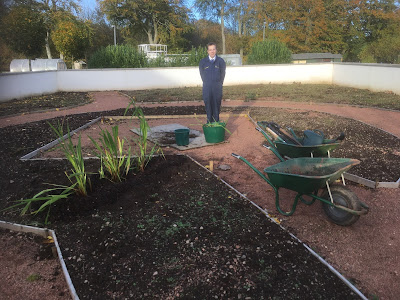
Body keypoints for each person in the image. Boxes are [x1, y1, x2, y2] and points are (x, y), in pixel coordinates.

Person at [199, 42, 226, 123]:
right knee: (208, 105)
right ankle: (209, 123)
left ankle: (216, 124)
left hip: (217, 87)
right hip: (207, 87)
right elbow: (202, 75)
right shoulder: (203, 62)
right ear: (207, 51)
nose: (212, 51)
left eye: (214, 49)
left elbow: (222, 74)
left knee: (216, 105)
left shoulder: (220, 61)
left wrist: (218, 83)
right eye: (210, 50)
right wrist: (208, 82)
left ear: (216, 50)